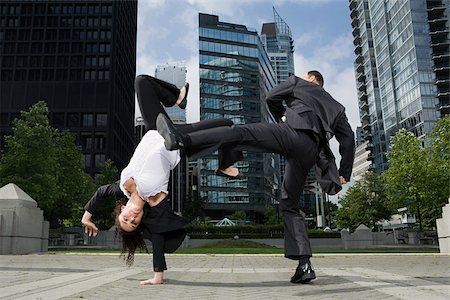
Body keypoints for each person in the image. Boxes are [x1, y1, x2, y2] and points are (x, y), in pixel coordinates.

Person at [157, 70, 356, 284]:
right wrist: (344, 172)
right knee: (289, 204)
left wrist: (281, 117)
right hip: (310, 152)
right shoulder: (337, 107)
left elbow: (271, 97)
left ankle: (183, 140)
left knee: (240, 133)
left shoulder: (298, 83)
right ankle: (304, 264)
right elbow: (348, 139)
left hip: (291, 133)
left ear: (311, 78)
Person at [82, 75, 237, 284]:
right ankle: (224, 165)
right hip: (180, 141)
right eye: (134, 223)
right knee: (228, 125)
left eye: (126, 218)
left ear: (122, 209)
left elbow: (101, 192)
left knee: (141, 82)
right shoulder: (156, 203)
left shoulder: (121, 188)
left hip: (156, 129)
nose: (132, 218)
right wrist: (158, 276)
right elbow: (157, 237)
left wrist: (86, 216)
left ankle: (177, 97)